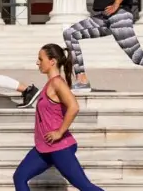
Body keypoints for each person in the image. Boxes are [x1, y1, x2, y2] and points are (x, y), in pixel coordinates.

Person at [12, 44, 105, 191]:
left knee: (84, 186)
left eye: (40, 59)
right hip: (44, 147)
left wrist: (60, 132)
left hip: (59, 147)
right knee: (19, 177)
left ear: (52, 61)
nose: (37, 63)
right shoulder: (50, 83)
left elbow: (74, 106)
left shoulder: (57, 83)